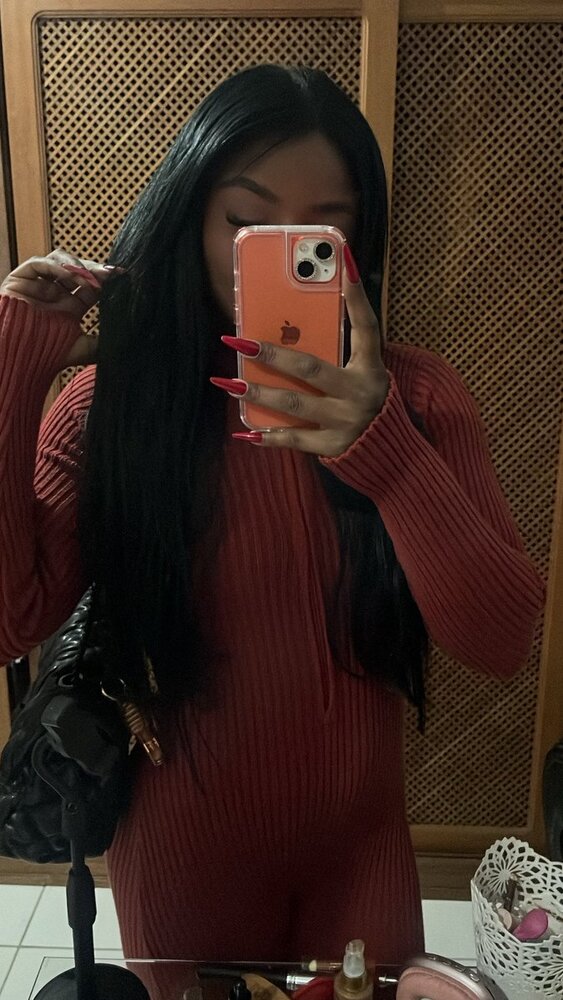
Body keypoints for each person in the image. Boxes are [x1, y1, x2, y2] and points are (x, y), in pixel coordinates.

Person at [0, 65, 544, 969]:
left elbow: (499, 640)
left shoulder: (417, 398)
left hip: (359, 850)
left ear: (356, 244)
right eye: (245, 221)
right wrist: (18, 362)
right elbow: (9, 621)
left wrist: (385, 454)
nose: (283, 252)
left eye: (323, 228)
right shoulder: (113, 411)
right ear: (191, 221)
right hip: (179, 852)